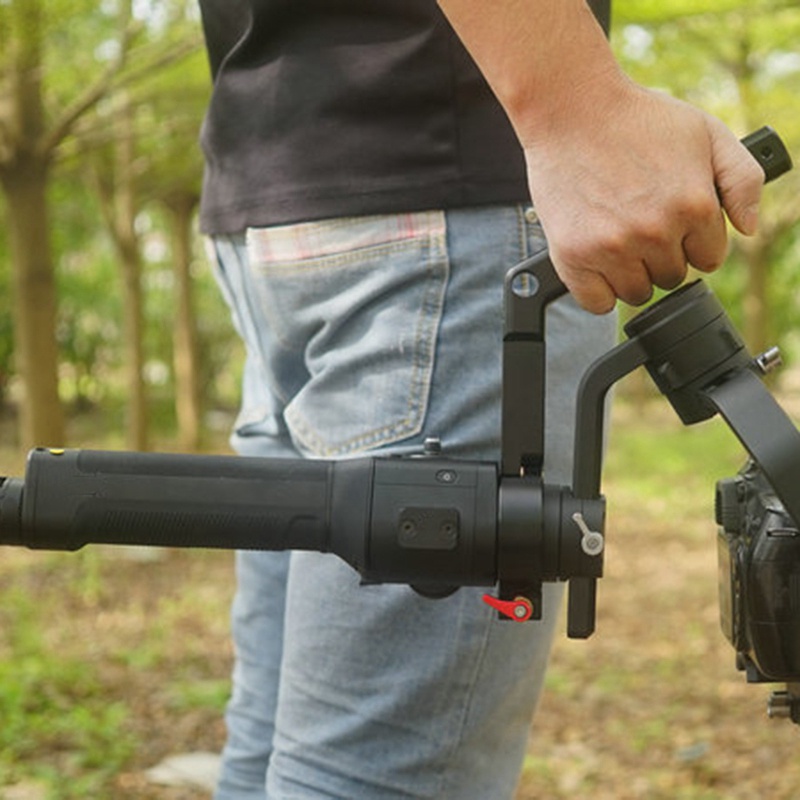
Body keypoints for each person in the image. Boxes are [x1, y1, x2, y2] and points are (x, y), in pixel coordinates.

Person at [195, 1, 764, 798]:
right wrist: (575, 106)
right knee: (364, 776)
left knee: (275, 755)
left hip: (278, 201)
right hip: (443, 219)